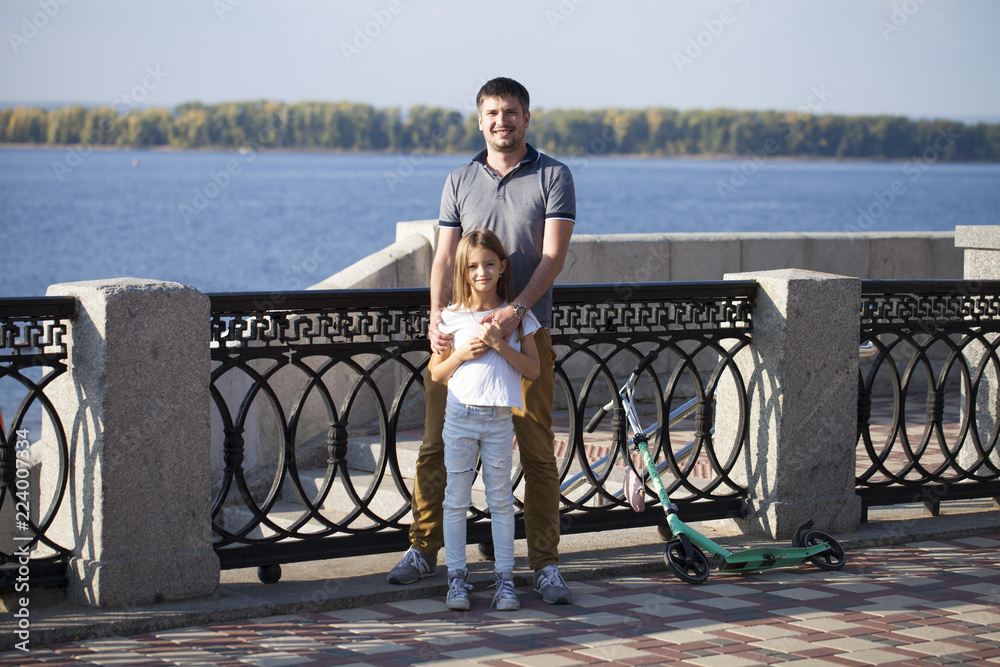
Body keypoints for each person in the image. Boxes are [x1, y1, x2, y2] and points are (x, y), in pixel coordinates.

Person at [388, 76, 577, 605]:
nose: (502, 121)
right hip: (460, 336)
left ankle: (544, 565)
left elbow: (552, 257)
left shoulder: (554, 176)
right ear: (479, 120)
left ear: (527, 118)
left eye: (511, 112)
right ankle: (424, 549)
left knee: (537, 454)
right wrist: (435, 319)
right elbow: (444, 259)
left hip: (525, 338)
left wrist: (515, 314)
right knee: (433, 449)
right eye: (492, 113)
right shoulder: (459, 179)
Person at [430, 229, 541, 611]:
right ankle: (457, 579)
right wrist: (461, 354)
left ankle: (505, 581)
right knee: (455, 501)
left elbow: (534, 370)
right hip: (460, 418)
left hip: (498, 421)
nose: (482, 273)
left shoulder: (517, 317)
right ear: (463, 271)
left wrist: (498, 345)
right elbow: (437, 374)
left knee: (500, 501)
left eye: (489, 264)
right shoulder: (450, 318)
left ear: (502, 267)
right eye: (474, 266)